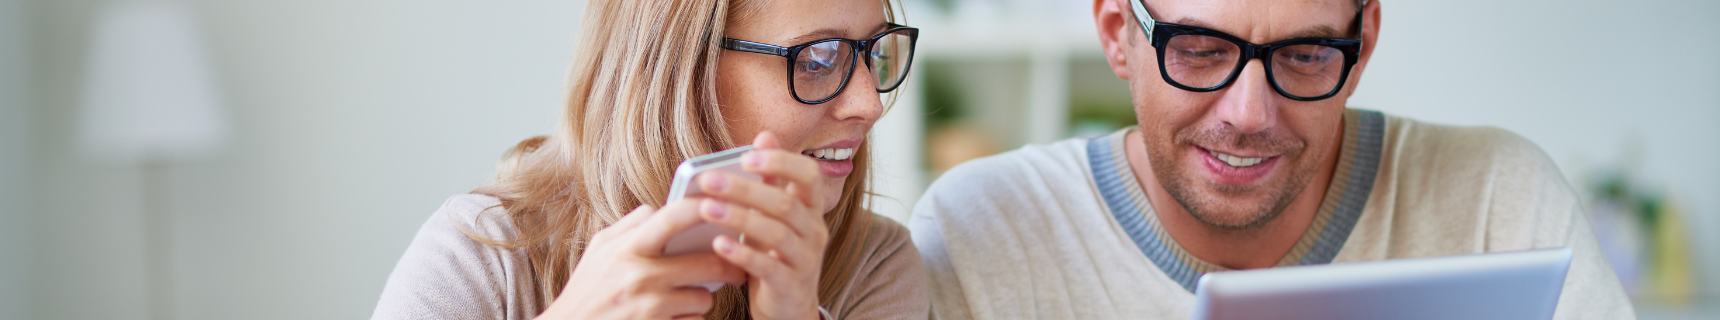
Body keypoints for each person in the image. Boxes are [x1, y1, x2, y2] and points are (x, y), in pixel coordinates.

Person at [909, 0, 1633, 319]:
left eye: (1307, 54)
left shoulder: (1500, 202)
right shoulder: (981, 234)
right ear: (1116, 35)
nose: (1248, 115)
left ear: (1363, 44)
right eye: (1199, 50)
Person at [371, 0, 928, 319]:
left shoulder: (872, 265)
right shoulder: (483, 257)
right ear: (678, 70)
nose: (869, 104)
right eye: (818, 58)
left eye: (875, 50)